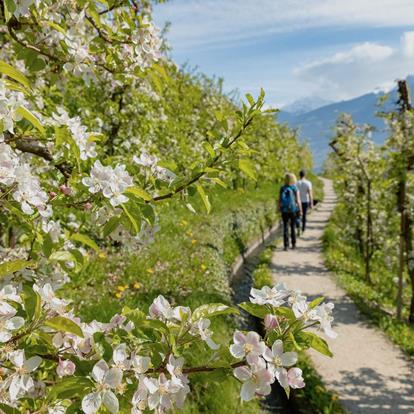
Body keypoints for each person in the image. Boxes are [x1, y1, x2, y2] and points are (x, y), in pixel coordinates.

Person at [279, 173, 302, 251]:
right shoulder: (295, 188)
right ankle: (293, 244)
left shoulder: (282, 188)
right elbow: (298, 200)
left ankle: (286, 246)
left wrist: (278, 209)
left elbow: (279, 200)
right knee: (292, 227)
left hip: (284, 210)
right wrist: (300, 210)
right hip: (293, 210)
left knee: (285, 227)